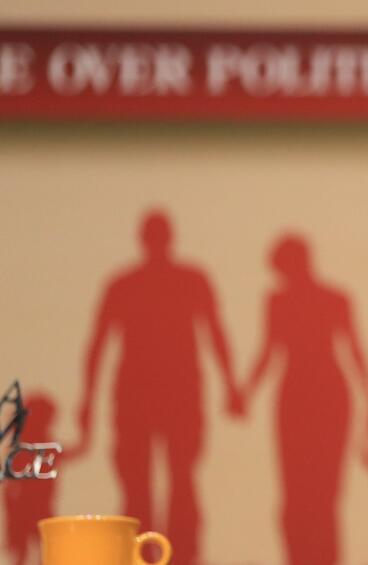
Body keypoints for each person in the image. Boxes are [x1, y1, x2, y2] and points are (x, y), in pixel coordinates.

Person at [77, 209, 243, 565]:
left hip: (167, 394)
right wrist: (230, 385)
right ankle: (159, 555)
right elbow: (99, 343)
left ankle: (173, 555)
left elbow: (214, 333)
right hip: (150, 395)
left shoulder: (137, 283)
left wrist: (88, 401)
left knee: (173, 481)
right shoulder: (144, 283)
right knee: (151, 483)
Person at [242, 234, 368, 565]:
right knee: (300, 494)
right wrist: (246, 392)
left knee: (322, 493)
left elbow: (353, 350)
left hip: (322, 397)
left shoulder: (330, 300)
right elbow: (270, 351)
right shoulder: (288, 300)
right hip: (303, 397)